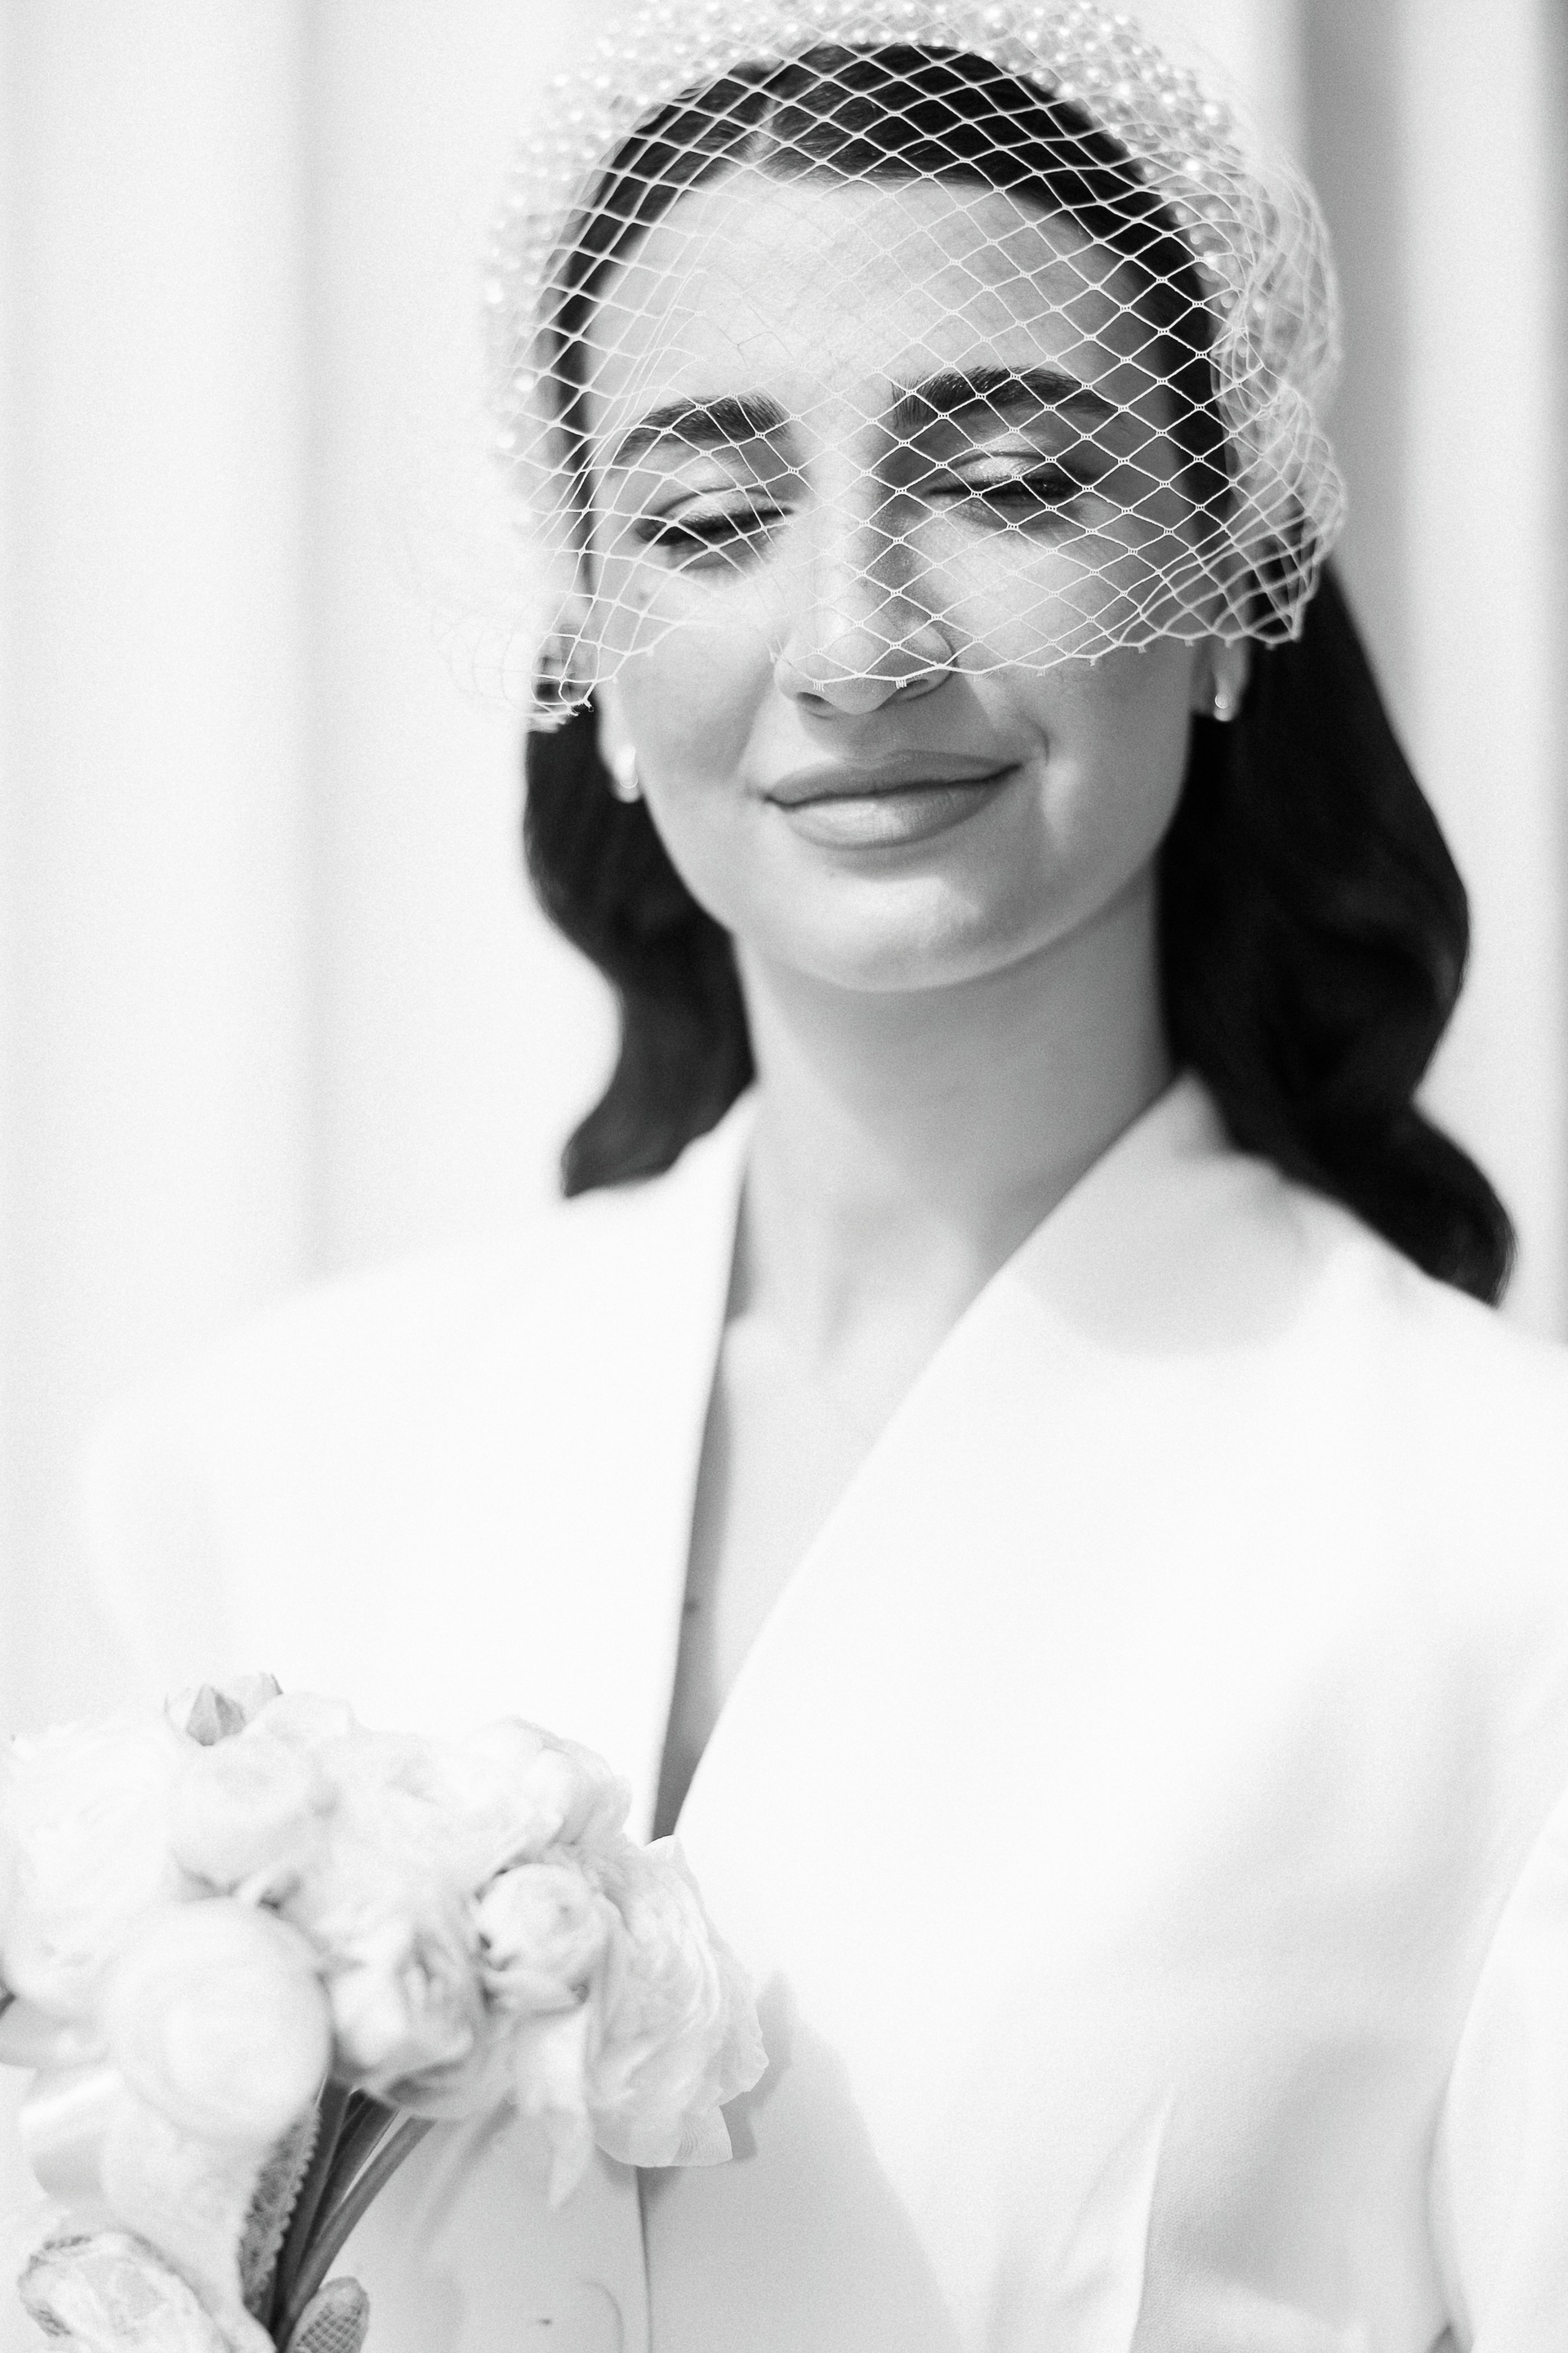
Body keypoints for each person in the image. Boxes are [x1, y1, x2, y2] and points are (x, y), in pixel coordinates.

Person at [78, 4, 1568, 2348]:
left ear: (1226, 585)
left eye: (1013, 482)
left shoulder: (1503, 1547)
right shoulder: (261, 1469)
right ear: (591, 639)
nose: (861, 643)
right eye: (707, 521)